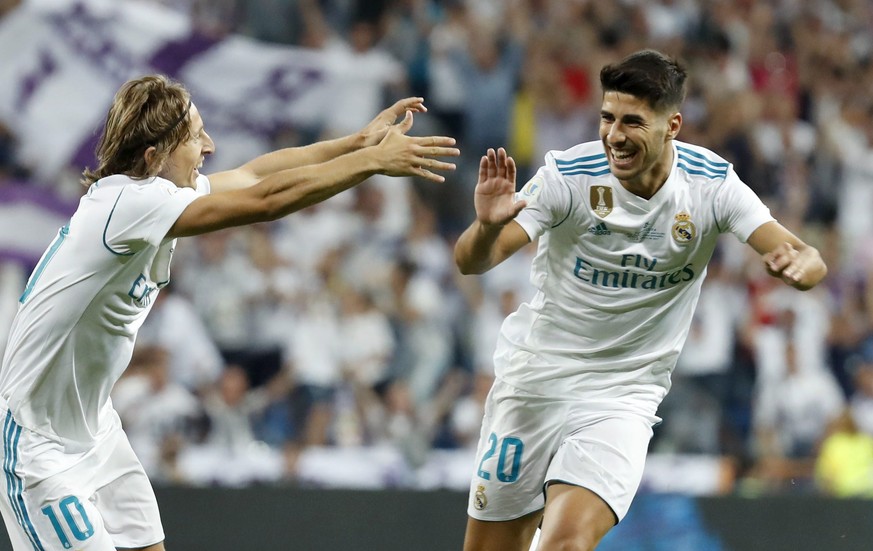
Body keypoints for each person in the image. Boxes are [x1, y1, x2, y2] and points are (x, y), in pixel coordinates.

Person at [0, 74, 457, 551]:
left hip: (94, 428)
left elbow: (255, 175)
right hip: (38, 446)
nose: (210, 146)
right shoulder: (130, 204)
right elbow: (266, 200)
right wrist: (369, 164)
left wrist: (358, 141)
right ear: (154, 156)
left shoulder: (146, 194)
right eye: (196, 136)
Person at [454, 49, 827, 551]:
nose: (614, 135)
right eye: (607, 118)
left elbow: (804, 255)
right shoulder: (570, 174)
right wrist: (485, 226)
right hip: (535, 385)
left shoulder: (711, 185)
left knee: (565, 544)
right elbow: (472, 261)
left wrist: (800, 268)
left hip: (623, 397)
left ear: (672, 124)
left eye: (632, 121)